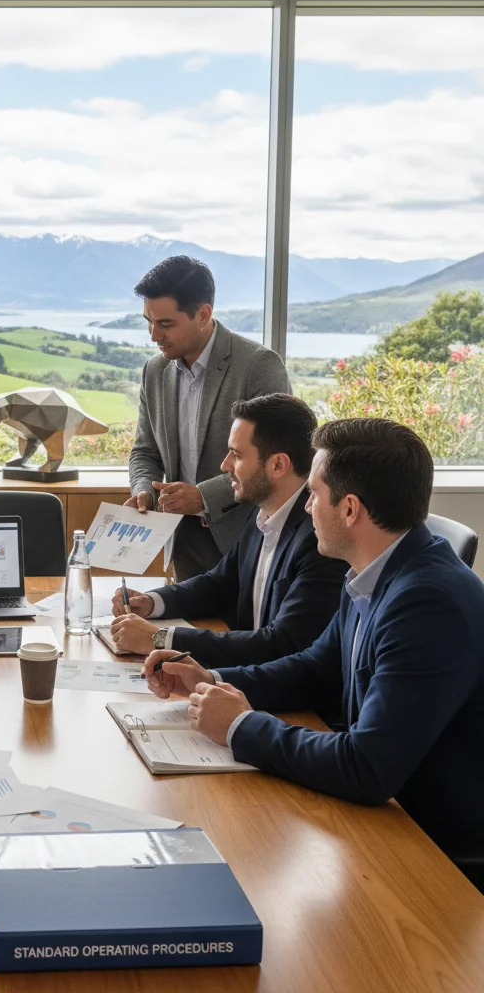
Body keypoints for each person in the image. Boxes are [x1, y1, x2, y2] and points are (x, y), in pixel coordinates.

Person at [143, 419, 484, 887]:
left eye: (314, 494)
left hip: (427, 851)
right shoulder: (374, 568)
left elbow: (367, 767)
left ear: (349, 510)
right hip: (380, 817)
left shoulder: (428, 603)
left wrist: (239, 726)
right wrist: (214, 680)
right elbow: (316, 668)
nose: (305, 506)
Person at [111, 394, 347, 669]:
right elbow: (220, 584)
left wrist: (161, 638)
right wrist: (151, 602)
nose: (225, 466)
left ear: (278, 465)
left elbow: (281, 644)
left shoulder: (319, 538)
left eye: (236, 455)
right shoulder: (262, 510)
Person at [126, 256, 291, 581]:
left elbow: (277, 459)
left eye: (166, 324)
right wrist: (144, 489)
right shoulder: (154, 371)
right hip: (181, 541)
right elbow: (145, 451)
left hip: (245, 540)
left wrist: (203, 496)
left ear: (203, 314)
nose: (153, 335)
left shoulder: (258, 366)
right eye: (149, 320)